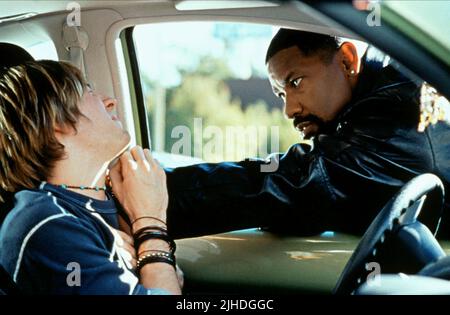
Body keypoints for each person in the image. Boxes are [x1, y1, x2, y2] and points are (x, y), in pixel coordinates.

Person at [163, 29, 450, 239]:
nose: (289, 110)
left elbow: (291, 183)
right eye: (279, 94)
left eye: (296, 82)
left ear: (347, 61)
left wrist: (153, 194)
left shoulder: (398, 115)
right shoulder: (394, 91)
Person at [0, 60, 181, 294]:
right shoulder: (47, 225)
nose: (110, 102)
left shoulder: (98, 209)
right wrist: (150, 225)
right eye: (89, 91)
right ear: (56, 120)